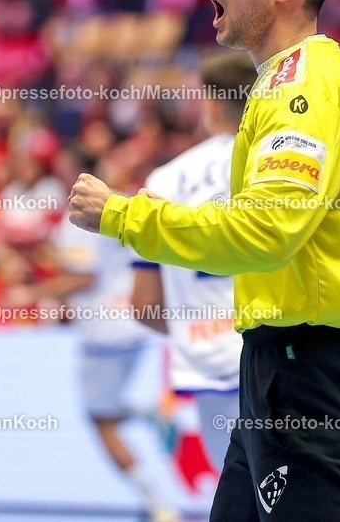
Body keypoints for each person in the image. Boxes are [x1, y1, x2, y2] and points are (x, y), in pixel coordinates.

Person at [69, 0, 340, 521]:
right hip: (281, 363)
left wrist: (123, 216)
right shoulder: (294, 78)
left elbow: (265, 232)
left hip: (313, 372)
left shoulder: (302, 90)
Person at [130, 51, 256, 472]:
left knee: (238, 494)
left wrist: (190, 325)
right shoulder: (276, 162)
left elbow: (143, 305)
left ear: (210, 103)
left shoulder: (162, 181)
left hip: (206, 364)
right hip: (276, 353)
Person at [43, 213, 177, 522]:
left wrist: (30, 294)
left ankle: (157, 504)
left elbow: (84, 277)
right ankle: (146, 414)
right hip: (136, 325)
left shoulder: (78, 217)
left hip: (105, 333)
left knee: (101, 421)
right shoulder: (124, 207)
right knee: (106, 409)